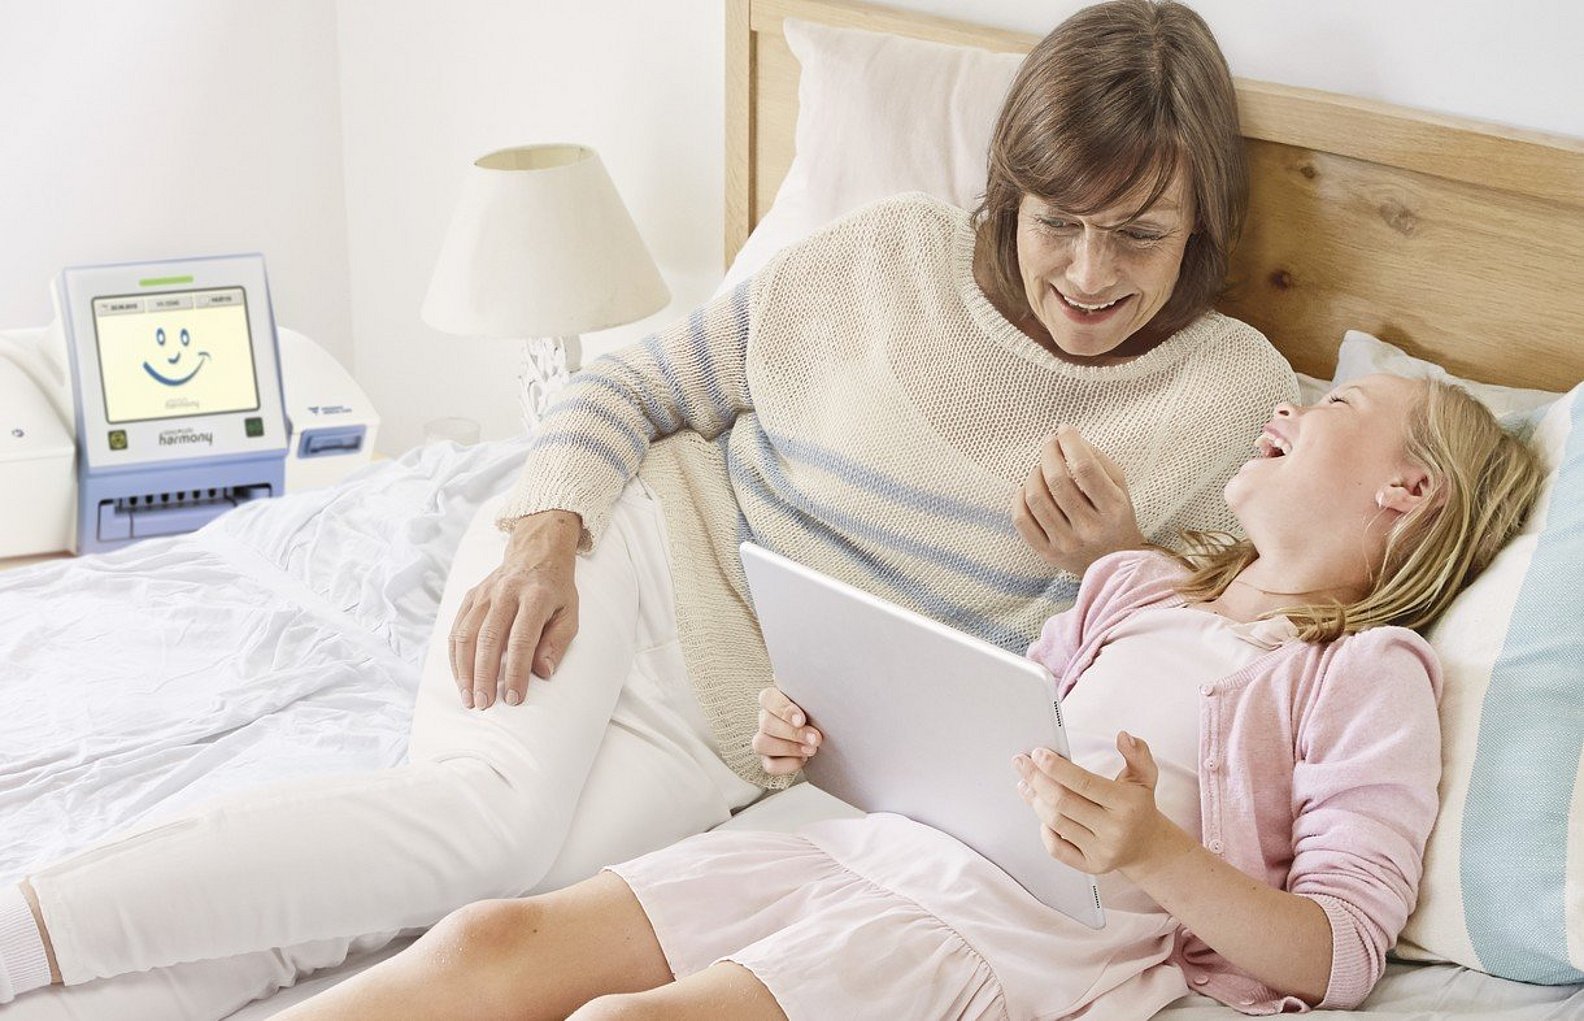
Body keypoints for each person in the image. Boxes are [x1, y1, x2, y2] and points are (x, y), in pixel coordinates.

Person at [1, 2, 1300, 1014]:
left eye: (1139, 236)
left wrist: (1120, 555)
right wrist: (545, 531)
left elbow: (1189, 656)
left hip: (747, 735)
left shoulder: (1228, 393)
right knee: (477, 820)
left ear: (1202, 234)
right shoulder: (884, 259)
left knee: (467, 895)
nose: (1086, 273)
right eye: (1058, 222)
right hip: (622, 562)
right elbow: (631, 387)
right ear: (1009, 196)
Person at [275, 375, 1545, 1020]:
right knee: (486, 942)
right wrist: (832, 742)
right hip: (883, 848)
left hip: (1018, 942)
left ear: (1409, 492)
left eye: (1336, 403)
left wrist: (1154, 851)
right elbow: (989, 747)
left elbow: (1338, 954)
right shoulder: (1139, 588)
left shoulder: (1364, 673)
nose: (1286, 405)